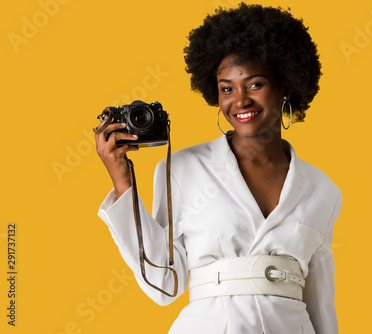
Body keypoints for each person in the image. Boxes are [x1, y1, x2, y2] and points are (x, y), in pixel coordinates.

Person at [95, 3, 342, 334]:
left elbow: (321, 303)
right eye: (227, 88)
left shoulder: (324, 190)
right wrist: (123, 181)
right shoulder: (182, 169)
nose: (239, 101)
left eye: (255, 84)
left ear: (285, 86)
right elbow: (163, 283)